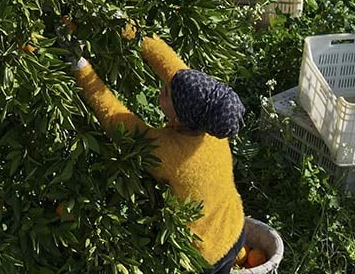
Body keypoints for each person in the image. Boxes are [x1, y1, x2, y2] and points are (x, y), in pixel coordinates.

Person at [68, 34, 246, 274]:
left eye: (167, 94)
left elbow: (114, 117)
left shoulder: (168, 154)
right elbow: (165, 58)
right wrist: (127, 27)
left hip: (206, 255)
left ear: (179, 117)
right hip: (235, 226)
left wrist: (80, 67)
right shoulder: (209, 115)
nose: (163, 89)